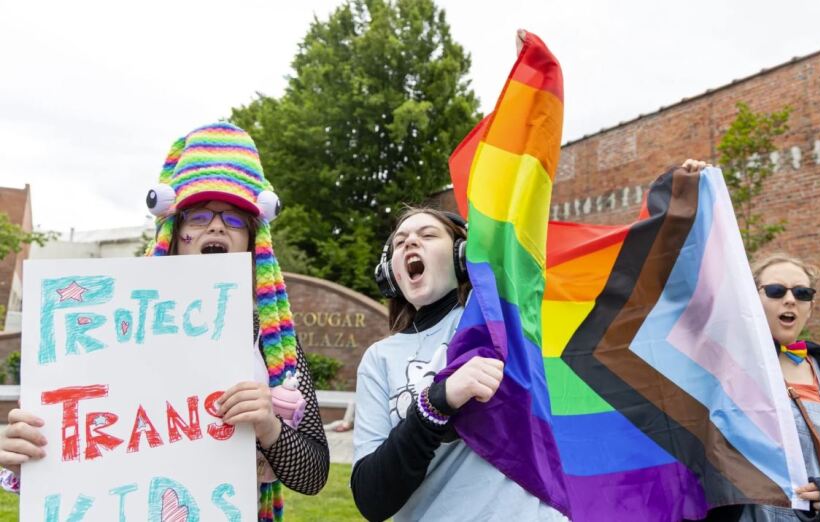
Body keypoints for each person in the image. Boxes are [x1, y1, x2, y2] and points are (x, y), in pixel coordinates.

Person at [0, 122, 329, 521]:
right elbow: (82, 452)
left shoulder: (274, 347)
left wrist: (268, 427)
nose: (217, 226)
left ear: (251, 240)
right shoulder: (107, 331)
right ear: (173, 233)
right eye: (199, 215)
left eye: (236, 219)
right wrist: (28, 458)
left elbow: (314, 476)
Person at [350, 207, 567, 521]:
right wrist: (437, 402)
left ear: (461, 257)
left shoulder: (504, 322)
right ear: (390, 273)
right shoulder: (378, 359)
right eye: (399, 243)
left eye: (427, 235)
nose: (410, 243)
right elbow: (371, 498)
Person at [722, 253, 820, 521]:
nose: (790, 299)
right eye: (775, 290)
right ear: (751, 298)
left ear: (811, 306)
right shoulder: (722, 368)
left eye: (802, 292)